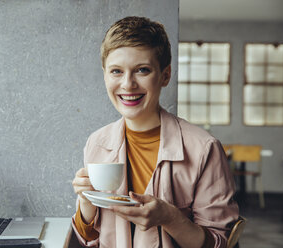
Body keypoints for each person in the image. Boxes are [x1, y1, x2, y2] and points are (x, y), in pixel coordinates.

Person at [72, 16, 239, 248]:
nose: (128, 84)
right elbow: (88, 238)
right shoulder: (96, 143)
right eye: (116, 71)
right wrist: (86, 203)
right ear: (104, 75)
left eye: (142, 70)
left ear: (165, 75)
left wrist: (171, 218)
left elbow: (220, 243)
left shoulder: (204, 148)